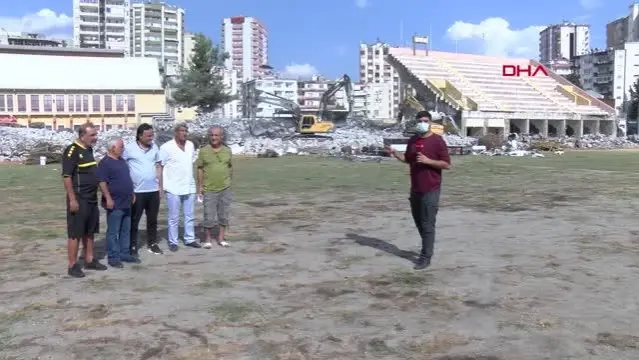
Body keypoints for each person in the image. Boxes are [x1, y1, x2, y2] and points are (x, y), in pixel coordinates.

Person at [385, 111, 451, 270]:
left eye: (425, 120)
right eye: (420, 120)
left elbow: (447, 164)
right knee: (419, 222)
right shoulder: (413, 140)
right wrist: (395, 153)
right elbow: (408, 159)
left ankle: (425, 256)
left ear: (430, 122)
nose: (422, 122)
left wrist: (428, 161)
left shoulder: (437, 141)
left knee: (427, 223)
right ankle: (427, 246)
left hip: (431, 188)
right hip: (415, 188)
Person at [61, 122, 107, 277]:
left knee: (90, 231)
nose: (95, 138)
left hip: (91, 198)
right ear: (82, 136)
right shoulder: (72, 151)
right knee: (76, 232)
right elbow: (67, 177)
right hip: (79, 199)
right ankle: (72, 265)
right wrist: (72, 200)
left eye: (95, 134)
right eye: (92, 135)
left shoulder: (89, 149)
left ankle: (89, 260)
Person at [158, 123, 202, 251]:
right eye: (182, 131)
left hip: (189, 185)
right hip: (172, 186)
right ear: (175, 132)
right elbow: (160, 167)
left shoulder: (190, 145)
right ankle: (173, 241)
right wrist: (160, 187)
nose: (184, 133)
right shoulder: (166, 147)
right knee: (174, 216)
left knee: (189, 215)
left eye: (186, 131)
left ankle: (190, 239)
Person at [97, 138, 140, 268]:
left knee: (125, 229)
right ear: (112, 148)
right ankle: (113, 256)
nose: (123, 149)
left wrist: (132, 193)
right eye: (121, 147)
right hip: (115, 202)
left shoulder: (121, 161)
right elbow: (102, 182)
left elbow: (127, 178)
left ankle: (124, 253)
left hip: (126, 201)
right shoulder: (105, 163)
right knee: (113, 231)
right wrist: (108, 198)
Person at [123, 123, 163, 256]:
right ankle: (132, 245)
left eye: (152, 135)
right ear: (140, 136)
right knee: (134, 220)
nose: (151, 138)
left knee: (152, 220)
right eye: (148, 136)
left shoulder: (155, 148)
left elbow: (158, 167)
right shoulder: (129, 148)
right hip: (136, 192)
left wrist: (160, 187)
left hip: (153, 191)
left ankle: (152, 243)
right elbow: (122, 167)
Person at [196, 126, 234, 248]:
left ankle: (221, 238)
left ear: (221, 137)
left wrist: (229, 181)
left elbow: (230, 166)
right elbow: (200, 169)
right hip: (209, 189)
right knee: (208, 215)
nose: (214, 137)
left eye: (216, 135)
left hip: (225, 188)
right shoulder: (203, 151)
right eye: (211, 135)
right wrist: (200, 186)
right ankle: (207, 240)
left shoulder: (227, 150)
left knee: (223, 214)